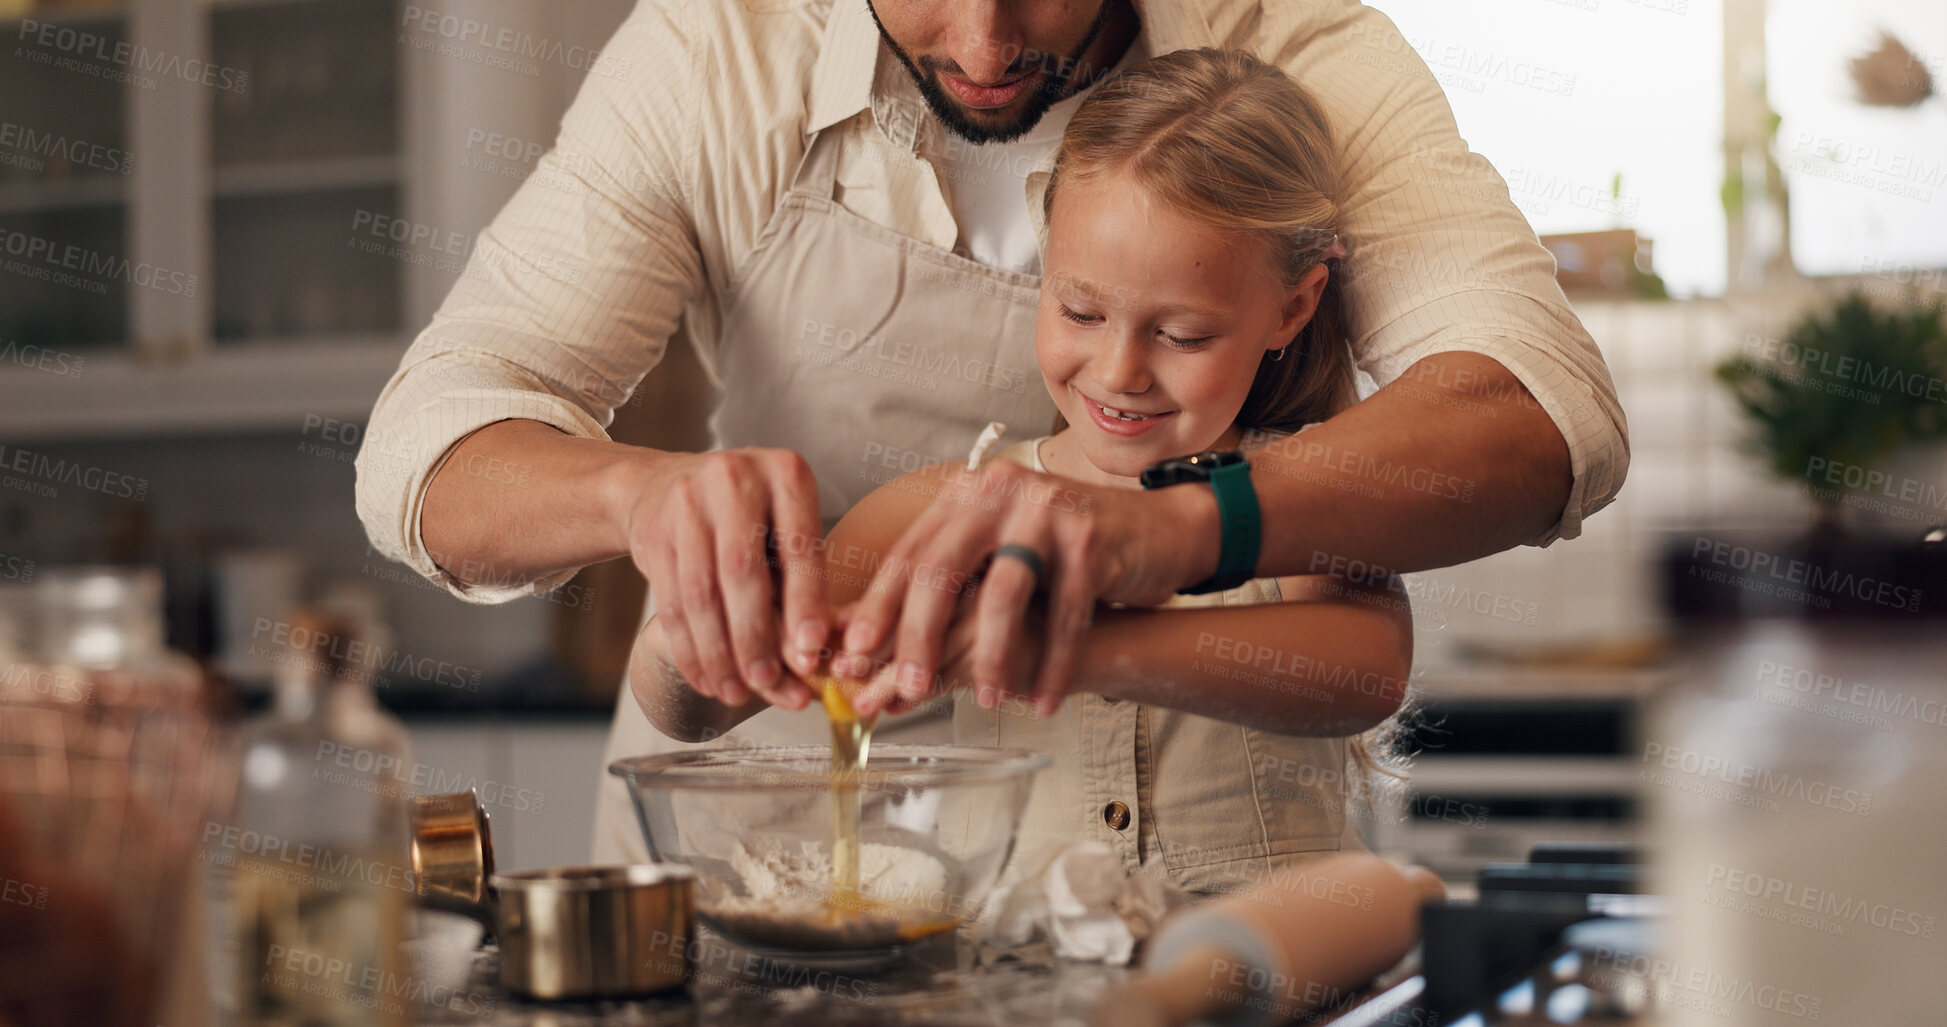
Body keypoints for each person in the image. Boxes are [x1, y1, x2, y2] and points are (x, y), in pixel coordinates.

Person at [354, 0, 1628, 863]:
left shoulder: (1291, 39)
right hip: (779, 858)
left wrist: (1179, 529)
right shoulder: (709, 51)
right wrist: (648, 507)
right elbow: (435, 440)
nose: (981, 40)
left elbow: (1534, 416)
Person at [634, 48, 1412, 890]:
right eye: (1079, 309)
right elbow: (689, 709)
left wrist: (1083, 647)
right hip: (1023, 982)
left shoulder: (1307, 491)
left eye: (1183, 334)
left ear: (1291, 308)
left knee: (1393, 897)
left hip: (1269, 974)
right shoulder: (950, 508)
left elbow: (1363, 671)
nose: (1119, 371)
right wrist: (711, 615)